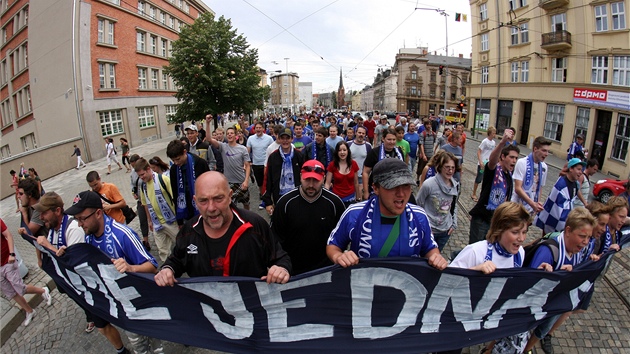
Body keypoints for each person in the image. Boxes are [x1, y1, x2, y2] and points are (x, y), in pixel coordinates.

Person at [65, 191, 161, 354]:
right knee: (139, 347)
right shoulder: (88, 239)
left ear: (98, 213)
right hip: (123, 308)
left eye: (82, 218)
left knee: (156, 347)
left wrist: (131, 268)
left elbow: (152, 266)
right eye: (77, 219)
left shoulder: (123, 234)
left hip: (143, 304)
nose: (80, 224)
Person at [154, 172, 292, 285]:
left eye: (218, 198)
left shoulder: (254, 225)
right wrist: (167, 269)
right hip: (207, 313)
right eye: (203, 201)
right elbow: (176, 259)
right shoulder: (188, 231)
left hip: (250, 311)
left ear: (230, 196)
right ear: (195, 201)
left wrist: (281, 269)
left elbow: (280, 257)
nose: (211, 208)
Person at [327, 158, 447, 270]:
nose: (401, 194)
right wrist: (339, 257)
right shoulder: (354, 214)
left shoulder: (419, 216)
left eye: (406, 186)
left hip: (405, 288)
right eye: (393, 186)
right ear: (376, 188)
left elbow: (430, 249)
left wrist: (436, 257)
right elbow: (333, 246)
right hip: (364, 288)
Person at [450, 202, 530, 354]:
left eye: (524, 232)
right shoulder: (475, 251)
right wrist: (474, 270)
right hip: (462, 318)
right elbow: (445, 282)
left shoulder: (520, 254)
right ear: (500, 230)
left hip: (489, 319)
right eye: (515, 232)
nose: (521, 239)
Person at [523, 207, 597, 354]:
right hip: (534, 308)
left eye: (589, 237)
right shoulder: (549, 251)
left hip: (553, 305)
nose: (585, 242)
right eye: (582, 236)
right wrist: (557, 276)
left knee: (545, 327)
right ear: (568, 231)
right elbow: (529, 285)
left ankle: (527, 349)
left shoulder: (577, 250)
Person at [271, 160, 345, 275]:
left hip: (326, 270)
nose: (311, 185)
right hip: (293, 271)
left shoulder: (335, 203)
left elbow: (342, 238)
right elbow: (275, 239)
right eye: (307, 180)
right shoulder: (285, 203)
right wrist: (281, 266)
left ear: (324, 178)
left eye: (315, 180)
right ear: (300, 177)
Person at [468, 130, 519, 244]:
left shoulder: (509, 175)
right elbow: (492, 161)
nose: (514, 161)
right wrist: (502, 143)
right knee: (474, 250)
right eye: (511, 157)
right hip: (482, 219)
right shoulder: (494, 170)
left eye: (516, 158)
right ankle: (455, 258)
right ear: (503, 157)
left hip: (496, 221)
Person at [1, 218, 52, 327]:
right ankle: (29, 311)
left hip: (6, 261)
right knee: (11, 293)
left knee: (20, 288)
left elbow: (8, 235)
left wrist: (12, 254)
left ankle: (43, 290)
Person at [135, 158, 177, 262]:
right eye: (139, 176)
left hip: (171, 221)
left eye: (143, 174)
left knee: (181, 244)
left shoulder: (163, 179)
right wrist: (149, 220)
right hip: (157, 223)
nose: (141, 177)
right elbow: (145, 204)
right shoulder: (143, 185)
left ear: (148, 169)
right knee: (162, 250)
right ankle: (169, 269)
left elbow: (174, 198)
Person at [416, 151, 459, 251]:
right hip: (429, 231)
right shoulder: (429, 184)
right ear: (440, 167)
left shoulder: (456, 185)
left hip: (445, 231)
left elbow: (454, 205)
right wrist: (424, 227)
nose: (450, 171)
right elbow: (418, 205)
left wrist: (453, 224)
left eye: (453, 168)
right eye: (447, 167)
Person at [534, 158, 585, 234]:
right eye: (578, 169)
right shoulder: (561, 184)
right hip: (552, 224)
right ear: (571, 169)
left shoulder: (575, 184)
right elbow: (555, 209)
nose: (581, 172)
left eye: (581, 170)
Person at [166, 139, 210, 226]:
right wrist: (179, 221)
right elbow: (175, 194)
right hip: (186, 210)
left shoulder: (200, 163)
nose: (176, 162)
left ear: (184, 152)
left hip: (202, 208)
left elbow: (209, 186)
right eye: (173, 160)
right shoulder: (174, 169)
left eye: (178, 159)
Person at [207, 126, 252, 210]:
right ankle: (232, 221)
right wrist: (208, 123)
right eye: (228, 134)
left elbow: (247, 165)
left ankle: (246, 219)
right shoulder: (223, 147)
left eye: (231, 133)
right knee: (230, 204)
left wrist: (246, 181)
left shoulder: (242, 149)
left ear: (236, 135)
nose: (229, 135)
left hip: (241, 181)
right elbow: (209, 139)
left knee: (246, 203)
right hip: (229, 183)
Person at [262, 128, 304, 215]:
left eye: (287, 138)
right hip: (279, 195)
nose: (285, 141)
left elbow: (304, 176)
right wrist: (268, 202)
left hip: (297, 194)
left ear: (292, 139)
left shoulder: (299, 155)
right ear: (279, 139)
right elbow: (268, 179)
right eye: (282, 138)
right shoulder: (273, 157)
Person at [511, 136, 551, 215]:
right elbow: (518, 188)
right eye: (544, 150)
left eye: (548, 151)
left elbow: (540, 187)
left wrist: (537, 203)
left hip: (530, 209)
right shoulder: (522, 163)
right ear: (535, 149)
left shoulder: (544, 167)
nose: (546, 154)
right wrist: (532, 204)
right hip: (517, 207)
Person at [362, 128, 405, 200]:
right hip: (377, 189)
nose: (392, 142)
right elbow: (366, 172)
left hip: (395, 188)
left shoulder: (399, 152)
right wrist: (366, 191)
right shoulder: (374, 152)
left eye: (394, 140)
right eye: (389, 139)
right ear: (383, 139)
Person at [246, 121, 274, 208]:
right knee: (260, 183)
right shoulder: (250, 139)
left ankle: (271, 200)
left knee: (269, 182)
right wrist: (247, 162)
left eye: (259, 128)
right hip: (256, 164)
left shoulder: (269, 138)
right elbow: (247, 152)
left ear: (263, 129)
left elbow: (273, 151)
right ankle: (264, 199)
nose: (258, 129)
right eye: (256, 128)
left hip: (266, 164)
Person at [325, 141, 360, 206]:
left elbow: (356, 182)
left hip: (351, 198)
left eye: (344, 150)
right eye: (340, 150)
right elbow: (327, 183)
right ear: (337, 152)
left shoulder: (354, 164)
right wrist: (326, 198)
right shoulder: (332, 165)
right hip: (336, 198)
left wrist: (358, 198)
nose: (342, 152)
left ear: (348, 151)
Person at [129, 155, 151, 251]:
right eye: (132, 166)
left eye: (135, 165)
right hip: (141, 200)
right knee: (142, 219)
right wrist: (134, 193)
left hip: (150, 198)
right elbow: (132, 185)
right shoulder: (132, 174)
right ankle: (145, 240)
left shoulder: (146, 170)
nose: (134, 168)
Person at [472, 126, 496, 202]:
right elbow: (479, 151)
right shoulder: (484, 141)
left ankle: (483, 195)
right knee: (479, 178)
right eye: (493, 133)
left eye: (495, 133)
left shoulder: (493, 142)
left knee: (487, 180)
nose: (494, 134)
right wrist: (480, 161)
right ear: (489, 133)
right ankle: (474, 193)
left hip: (489, 164)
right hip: (482, 163)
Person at [348, 126, 372, 191]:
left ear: (365, 135)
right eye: (359, 132)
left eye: (363, 133)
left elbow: (370, 162)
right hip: (350, 175)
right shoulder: (348, 144)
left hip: (362, 176)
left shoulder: (368, 146)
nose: (361, 135)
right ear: (355, 133)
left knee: (360, 196)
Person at [417, 118, 438, 185]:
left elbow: (433, 143)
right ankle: (418, 179)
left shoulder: (433, 134)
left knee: (429, 168)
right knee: (421, 167)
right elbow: (421, 145)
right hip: (424, 154)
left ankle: (426, 180)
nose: (429, 126)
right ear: (425, 125)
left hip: (430, 154)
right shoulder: (422, 134)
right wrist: (423, 154)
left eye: (430, 124)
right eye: (427, 124)